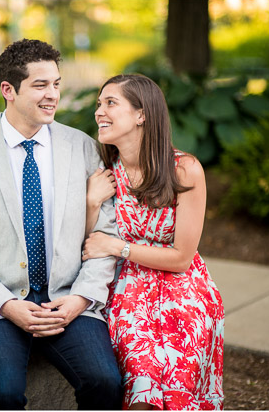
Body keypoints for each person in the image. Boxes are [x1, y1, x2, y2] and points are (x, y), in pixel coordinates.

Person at [0, 39, 122, 410]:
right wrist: (6, 305)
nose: (53, 95)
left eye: (56, 83)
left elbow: (107, 233)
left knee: (105, 383)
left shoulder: (82, 146)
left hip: (67, 297)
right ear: (8, 90)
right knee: (4, 394)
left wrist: (80, 299)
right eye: (40, 85)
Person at [82, 74, 225, 410]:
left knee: (179, 362)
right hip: (127, 288)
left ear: (141, 114)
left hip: (183, 287)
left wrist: (118, 247)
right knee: (142, 371)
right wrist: (91, 203)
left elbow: (181, 259)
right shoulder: (104, 172)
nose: (99, 112)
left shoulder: (184, 170)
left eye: (110, 103)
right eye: (99, 104)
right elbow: (88, 244)